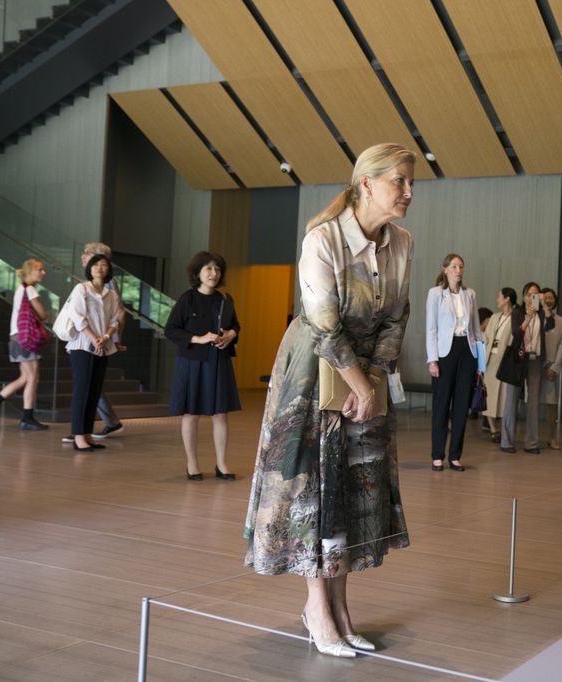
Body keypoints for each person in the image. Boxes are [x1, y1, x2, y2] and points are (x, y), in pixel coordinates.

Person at [243, 143, 416, 659]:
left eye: (411, 182)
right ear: (366, 183)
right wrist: (360, 386)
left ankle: (341, 608)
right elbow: (324, 326)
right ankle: (317, 608)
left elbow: (396, 318)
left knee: (354, 488)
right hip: (315, 371)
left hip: (367, 375)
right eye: (400, 181)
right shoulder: (323, 239)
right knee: (316, 490)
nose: (409, 191)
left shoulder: (402, 242)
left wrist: (374, 380)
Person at [164, 251, 241, 481]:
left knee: (220, 414)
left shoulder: (225, 300)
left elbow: (235, 326)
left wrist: (231, 334)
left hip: (218, 362)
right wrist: (198, 339)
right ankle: (192, 463)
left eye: (217, 269)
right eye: (208, 268)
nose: (213, 273)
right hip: (191, 362)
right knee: (191, 414)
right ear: (197, 272)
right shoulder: (187, 299)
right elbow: (171, 329)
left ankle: (222, 464)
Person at [425, 253, 485, 472]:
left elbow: (477, 331)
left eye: (461, 266)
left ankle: (455, 456)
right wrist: (432, 359)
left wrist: (481, 365)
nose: (458, 270)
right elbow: (431, 329)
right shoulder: (435, 294)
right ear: (445, 269)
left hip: (467, 351)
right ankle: (437, 455)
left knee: (461, 406)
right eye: (454, 266)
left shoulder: (470, 294)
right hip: (445, 353)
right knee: (441, 405)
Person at [61, 242, 126, 443]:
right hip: (83, 343)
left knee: (94, 390)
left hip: (102, 344)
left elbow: (116, 317)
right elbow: (78, 317)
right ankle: (79, 434)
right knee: (84, 390)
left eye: (88, 254)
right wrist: (96, 338)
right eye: (95, 263)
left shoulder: (110, 290)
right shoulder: (82, 288)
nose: (83, 257)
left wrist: (108, 339)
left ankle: (85, 433)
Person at [0, 259, 50, 430]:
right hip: (26, 339)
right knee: (32, 378)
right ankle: (27, 418)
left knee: (25, 378)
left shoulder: (20, 289)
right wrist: (43, 314)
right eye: (40, 269)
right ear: (29, 272)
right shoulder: (30, 289)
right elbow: (43, 315)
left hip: (17, 339)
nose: (43, 272)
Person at [500, 281, 554, 454]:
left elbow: (551, 326)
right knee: (512, 399)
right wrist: (528, 317)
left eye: (536, 294)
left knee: (533, 402)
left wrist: (544, 306)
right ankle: (507, 442)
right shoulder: (517, 313)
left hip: (535, 359)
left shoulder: (542, 314)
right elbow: (517, 333)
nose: (532, 298)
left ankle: (532, 443)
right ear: (524, 297)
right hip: (518, 358)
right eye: (529, 295)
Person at [482, 288, 517, 443]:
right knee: (489, 395)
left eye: (499, 296)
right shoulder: (495, 317)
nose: (497, 299)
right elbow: (486, 337)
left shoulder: (516, 317)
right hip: (491, 358)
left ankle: (504, 429)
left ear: (507, 299)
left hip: (506, 359)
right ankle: (493, 429)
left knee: (504, 396)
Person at [540, 287, 562, 450]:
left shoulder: (561, 321)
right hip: (536, 365)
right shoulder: (535, 318)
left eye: (551, 298)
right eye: (545, 298)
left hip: (551, 367)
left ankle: (551, 437)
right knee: (532, 403)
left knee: (551, 404)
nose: (548, 301)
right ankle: (532, 437)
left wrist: (555, 367)